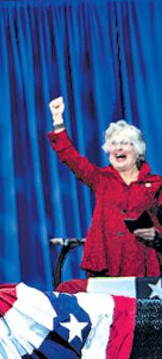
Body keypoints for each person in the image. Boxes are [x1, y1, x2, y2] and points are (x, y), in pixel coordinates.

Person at [47, 96, 162, 277]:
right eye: (113, 144)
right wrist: (57, 120)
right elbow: (70, 157)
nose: (118, 148)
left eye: (124, 143)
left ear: (137, 150)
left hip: (144, 266)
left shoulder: (156, 184)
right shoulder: (101, 179)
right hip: (105, 267)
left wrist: (157, 236)